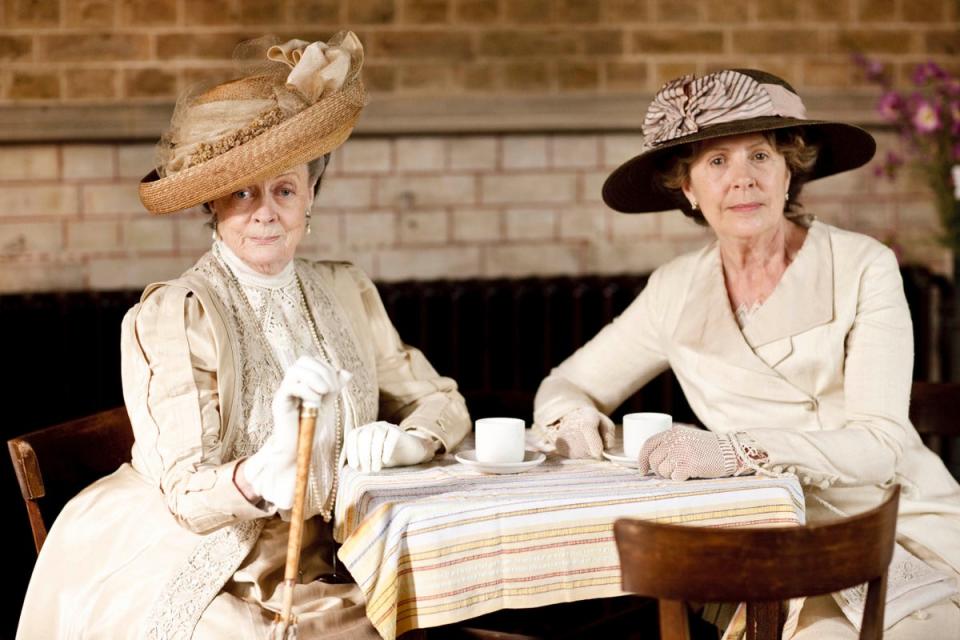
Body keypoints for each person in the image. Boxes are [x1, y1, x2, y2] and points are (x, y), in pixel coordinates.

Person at [18, 32, 470, 639]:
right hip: (205, 560)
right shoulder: (177, 314)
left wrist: (412, 442)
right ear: (213, 207)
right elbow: (186, 493)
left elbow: (438, 399)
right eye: (242, 193)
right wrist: (269, 467)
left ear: (311, 197)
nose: (265, 211)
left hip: (334, 556)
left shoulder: (346, 290)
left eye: (284, 189)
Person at [533, 69, 960, 638]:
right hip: (768, 543)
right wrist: (573, 414)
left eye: (760, 155)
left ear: (790, 169)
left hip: (896, 530)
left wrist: (734, 451)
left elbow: (882, 447)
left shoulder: (864, 265)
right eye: (716, 162)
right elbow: (567, 382)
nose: (743, 181)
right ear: (688, 189)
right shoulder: (675, 288)